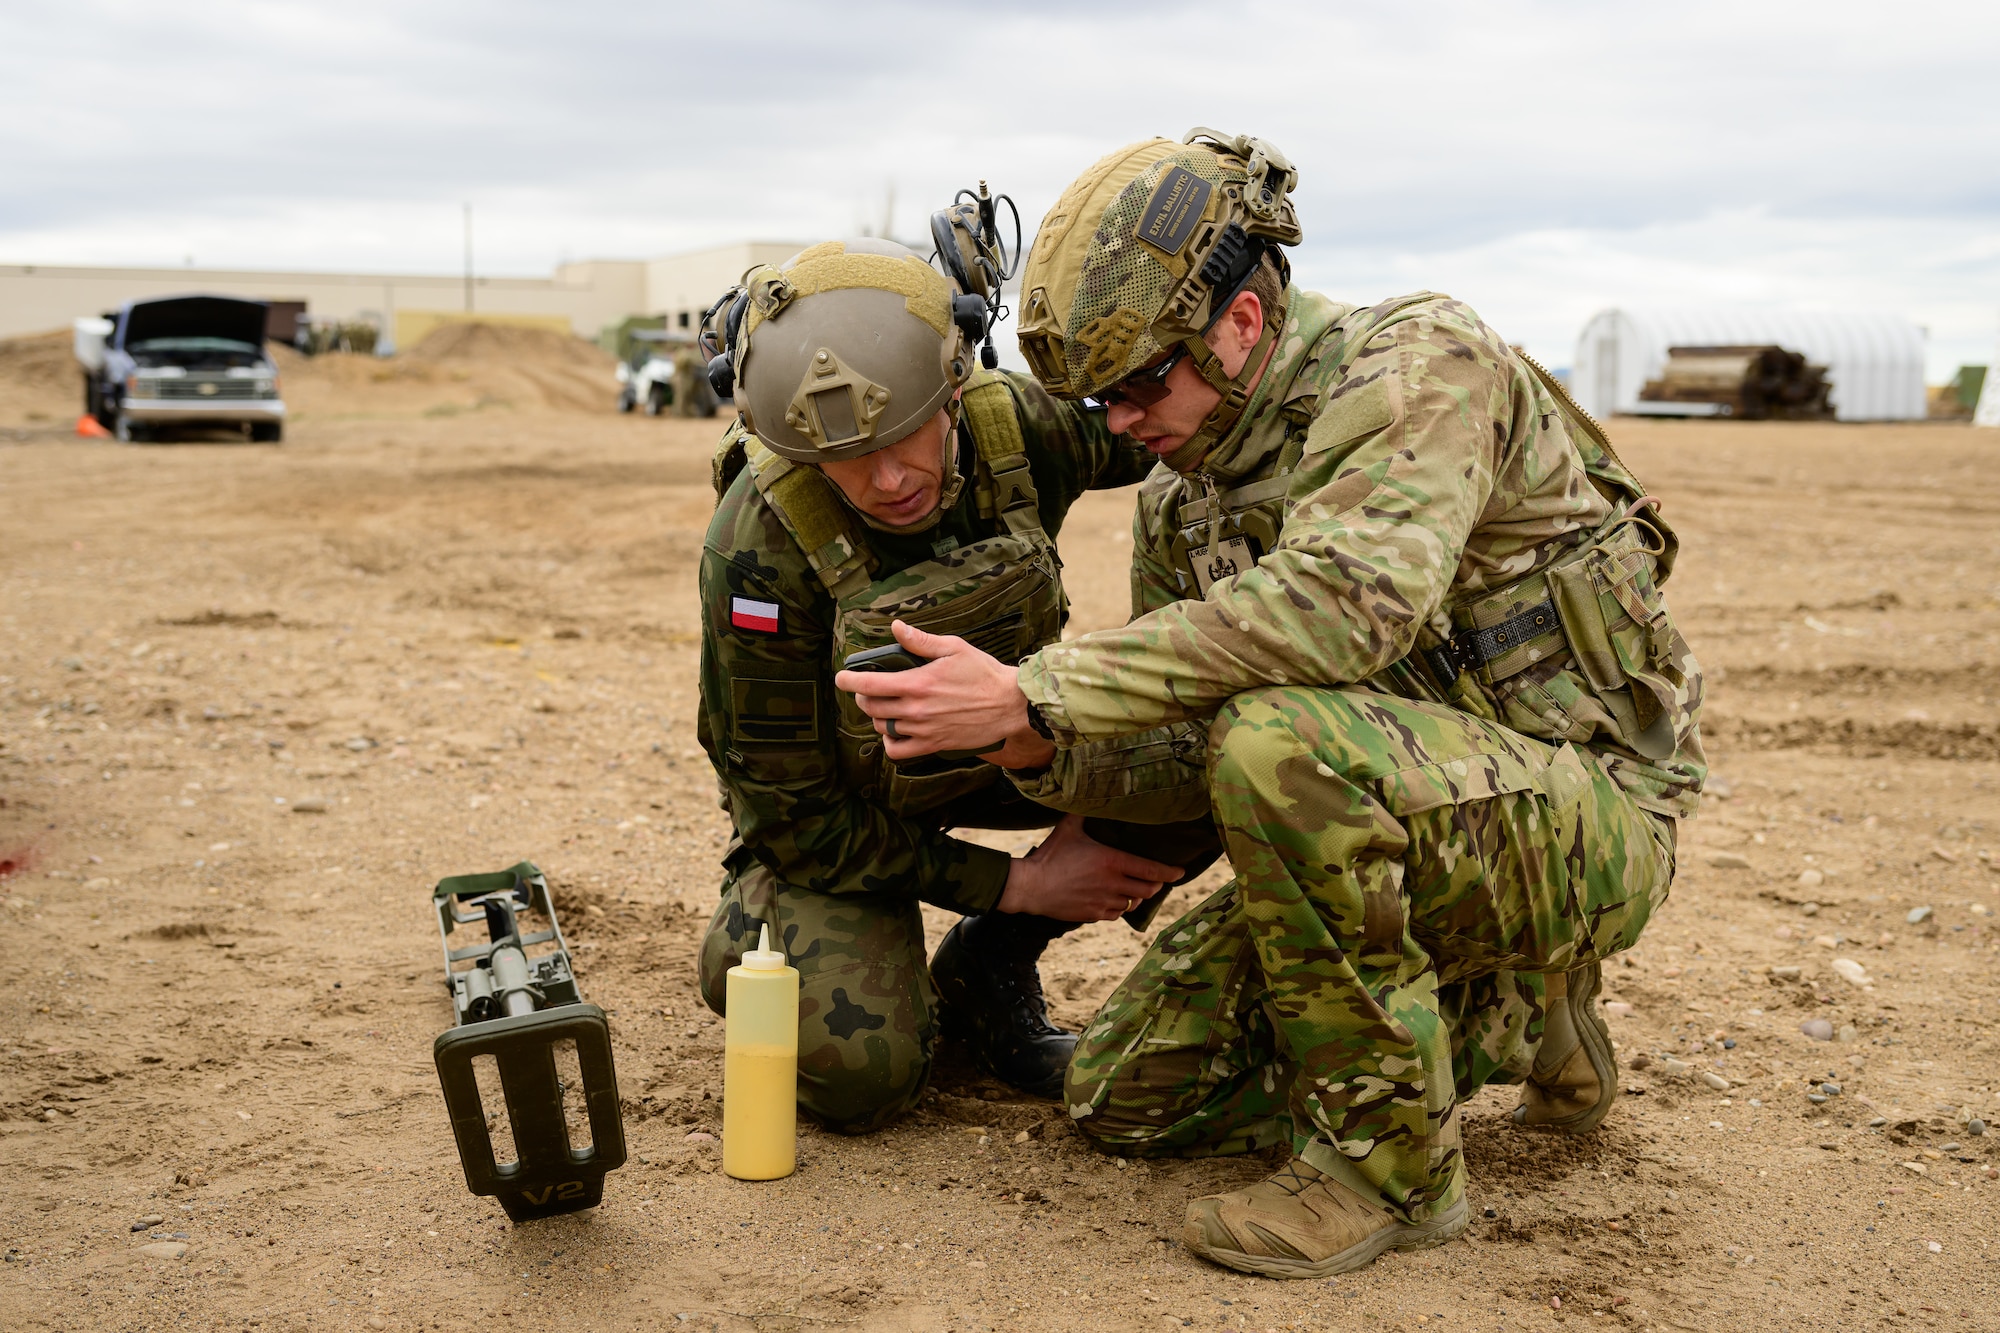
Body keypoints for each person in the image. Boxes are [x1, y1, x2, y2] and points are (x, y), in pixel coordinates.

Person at [835, 131, 1705, 1277]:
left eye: (1142, 379)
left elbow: (1343, 609)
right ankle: (1507, 1008)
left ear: (1241, 320)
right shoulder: (1178, 508)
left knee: (1277, 742)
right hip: (1406, 831)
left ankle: (1386, 1171)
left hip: (1589, 818)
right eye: (1098, 395)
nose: (1119, 419)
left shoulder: (1418, 362)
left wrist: (1044, 683)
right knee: (1122, 1095)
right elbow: (1190, 755)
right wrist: (1033, 739)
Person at [694, 237, 1184, 1135]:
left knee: (1208, 759)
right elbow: (790, 816)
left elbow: (1166, 425)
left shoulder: (1014, 426)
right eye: (845, 457)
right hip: (843, 817)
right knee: (864, 1078)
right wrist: (1022, 882)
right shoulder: (756, 543)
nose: (887, 480)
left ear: (953, 390)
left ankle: (986, 968)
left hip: (1013, 750)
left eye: (905, 435)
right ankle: (752, 932)